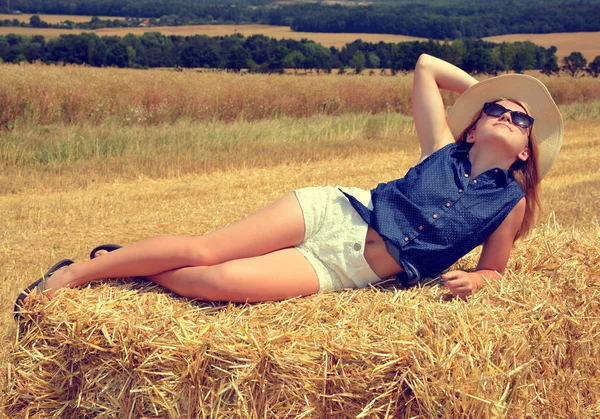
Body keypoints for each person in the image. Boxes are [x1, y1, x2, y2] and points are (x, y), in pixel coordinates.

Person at [14, 54, 563, 320]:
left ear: (525, 151)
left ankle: (122, 260)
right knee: (204, 248)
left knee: (216, 282)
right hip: (335, 213)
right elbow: (424, 67)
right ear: (471, 124)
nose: (505, 117)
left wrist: (483, 283)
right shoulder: (441, 145)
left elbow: (495, 268)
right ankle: (76, 273)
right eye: (495, 110)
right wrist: (487, 90)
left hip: (350, 270)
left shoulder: (508, 205)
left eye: (519, 120)